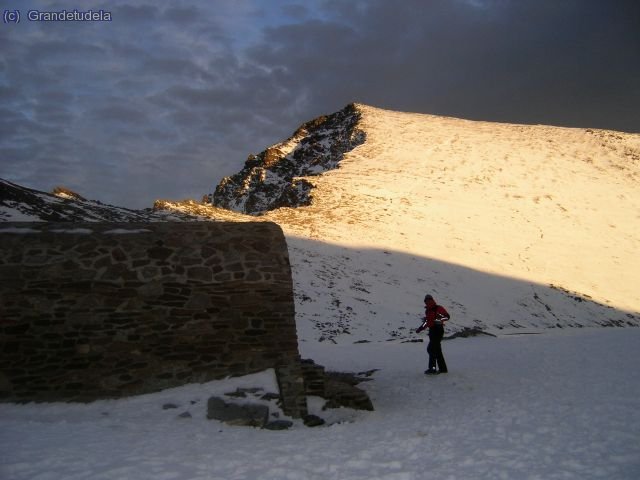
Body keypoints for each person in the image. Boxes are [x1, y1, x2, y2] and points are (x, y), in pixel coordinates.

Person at [416, 294, 450, 375]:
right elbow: (427, 322)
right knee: (437, 350)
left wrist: (439, 319)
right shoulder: (428, 310)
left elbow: (447, 317)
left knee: (431, 349)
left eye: (428, 300)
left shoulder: (437, 308)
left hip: (437, 330)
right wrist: (420, 328)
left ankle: (432, 369)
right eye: (426, 301)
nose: (427, 302)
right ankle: (442, 369)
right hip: (434, 331)